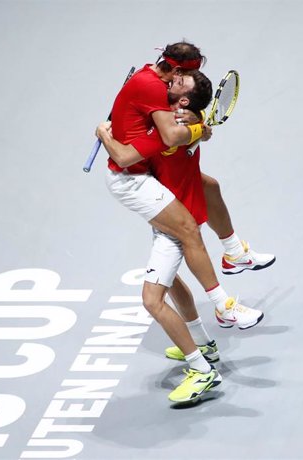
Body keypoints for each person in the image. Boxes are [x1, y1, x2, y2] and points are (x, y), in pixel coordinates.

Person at [104, 41, 270, 331]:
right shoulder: (165, 120)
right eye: (180, 77)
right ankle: (222, 307)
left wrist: (200, 127)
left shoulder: (175, 110)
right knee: (184, 248)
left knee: (210, 186)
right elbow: (146, 146)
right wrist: (105, 135)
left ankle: (232, 256)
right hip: (167, 196)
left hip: (169, 186)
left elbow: (188, 127)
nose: (175, 81)